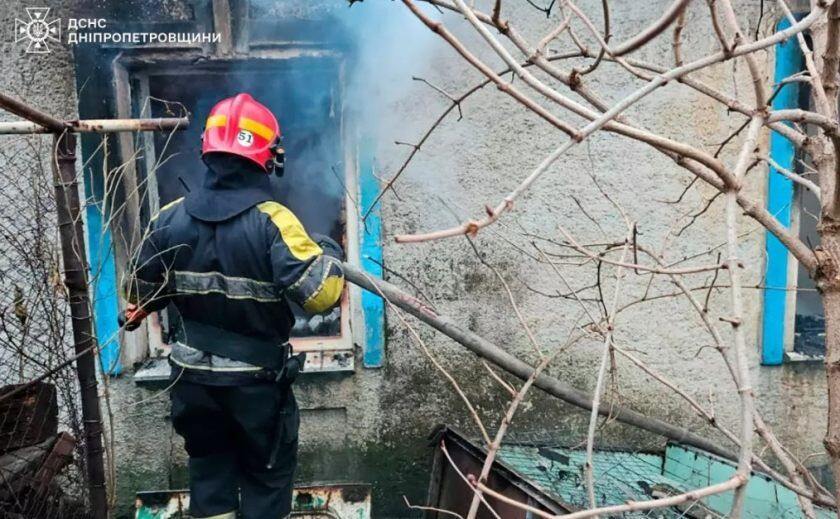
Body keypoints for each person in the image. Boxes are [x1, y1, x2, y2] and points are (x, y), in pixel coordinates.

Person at [122, 93, 344, 519]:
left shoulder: (168, 218)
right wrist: (329, 254)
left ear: (207, 150)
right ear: (269, 157)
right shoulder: (274, 220)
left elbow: (138, 294)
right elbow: (321, 295)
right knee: (265, 482)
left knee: (209, 479)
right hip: (254, 388)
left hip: (193, 385)